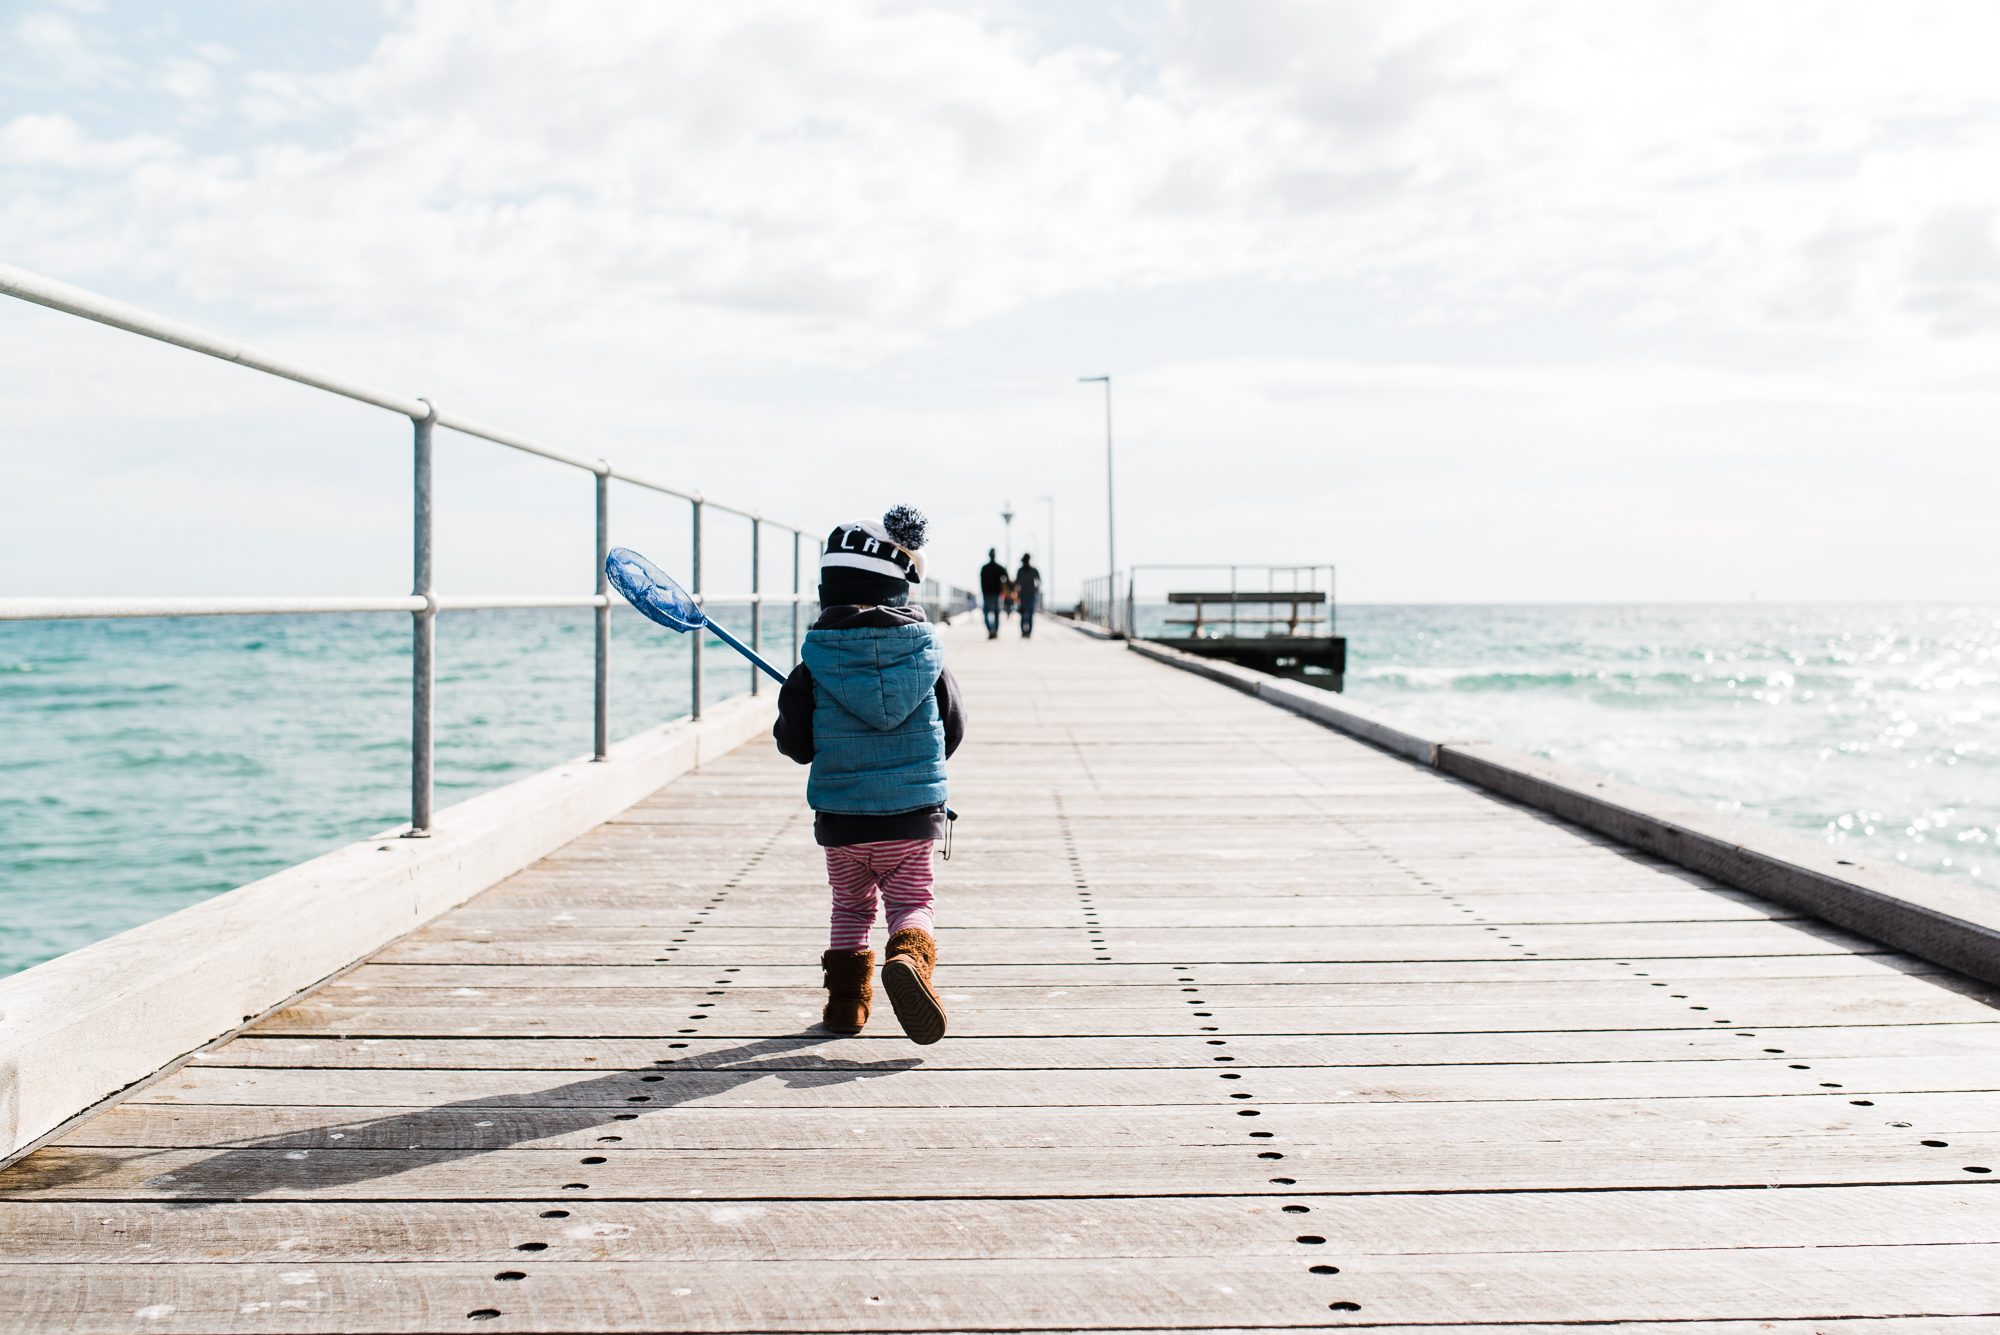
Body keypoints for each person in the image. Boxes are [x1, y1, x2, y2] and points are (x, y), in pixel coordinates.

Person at [775, 505, 966, 1046]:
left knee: (851, 906)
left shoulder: (813, 665)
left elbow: (795, 744)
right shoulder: (929, 657)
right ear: (900, 589)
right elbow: (952, 730)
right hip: (911, 818)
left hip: (843, 821)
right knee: (911, 903)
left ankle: (846, 1005)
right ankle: (908, 958)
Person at [979, 548, 1006, 639]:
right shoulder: (999, 567)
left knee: (986, 613)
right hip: (997, 594)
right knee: (997, 613)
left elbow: (981, 582)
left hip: (987, 594)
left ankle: (991, 630)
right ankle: (995, 631)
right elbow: (1006, 577)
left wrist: (983, 592)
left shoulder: (984, 568)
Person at [1015, 554, 1041, 638]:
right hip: (1028, 594)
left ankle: (1025, 632)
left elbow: (1017, 583)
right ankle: (1027, 632)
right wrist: (1036, 589)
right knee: (1029, 614)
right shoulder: (1033, 570)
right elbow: (1039, 581)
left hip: (1025, 594)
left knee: (1025, 614)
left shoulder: (1022, 570)